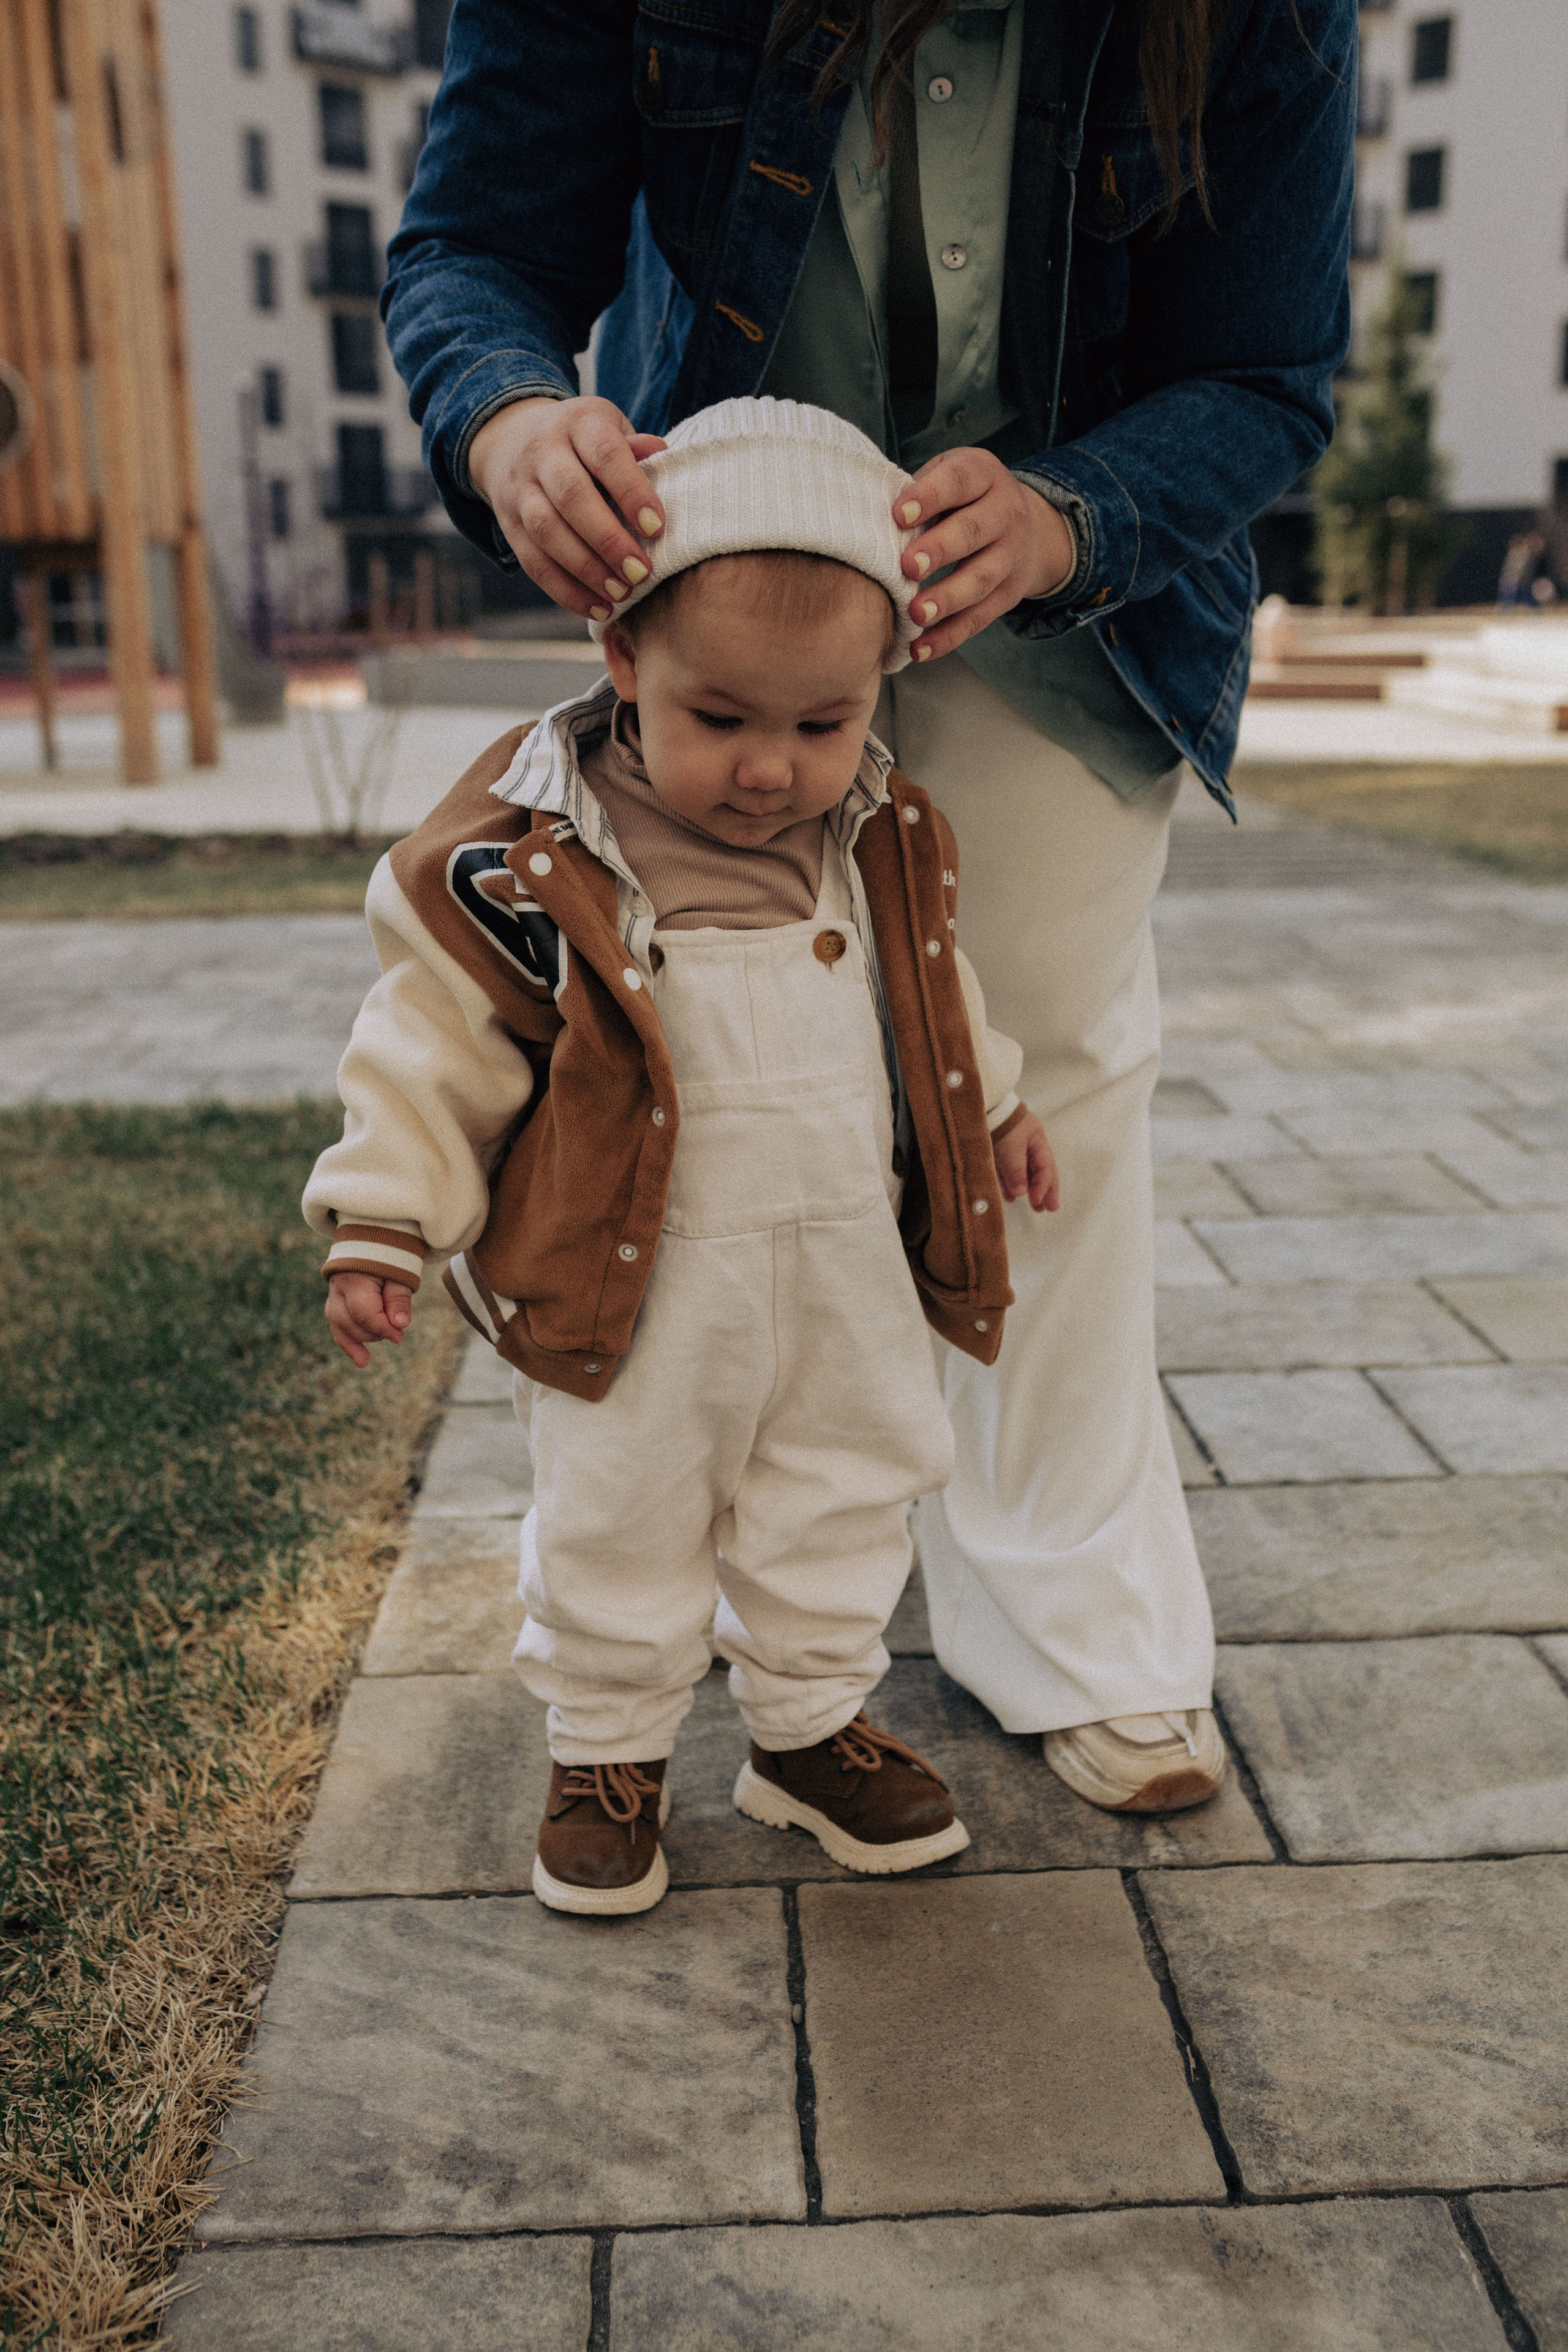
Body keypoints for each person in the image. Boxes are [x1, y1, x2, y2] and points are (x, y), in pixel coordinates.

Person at [383, 0, 1355, 1811]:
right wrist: (512, 420)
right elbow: (477, 246)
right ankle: (677, 1600)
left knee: (1042, 1074)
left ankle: (1067, 1598)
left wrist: (1073, 517)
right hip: (714, 588)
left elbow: (1271, 372)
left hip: (1054, 580)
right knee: (700, 1090)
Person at [304, 398, 1057, 1914]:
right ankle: (606, 1748)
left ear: (873, 698)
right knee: (619, 1509)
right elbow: (434, 1039)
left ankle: (807, 1726)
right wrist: (382, 1216)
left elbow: (931, 1000)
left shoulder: (879, 839)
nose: (772, 770)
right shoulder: (535, 857)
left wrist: (992, 1110)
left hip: (842, 1266)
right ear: (622, 662)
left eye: (819, 724)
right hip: (635, 1289)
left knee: (841, 1490)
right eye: (722, 719)